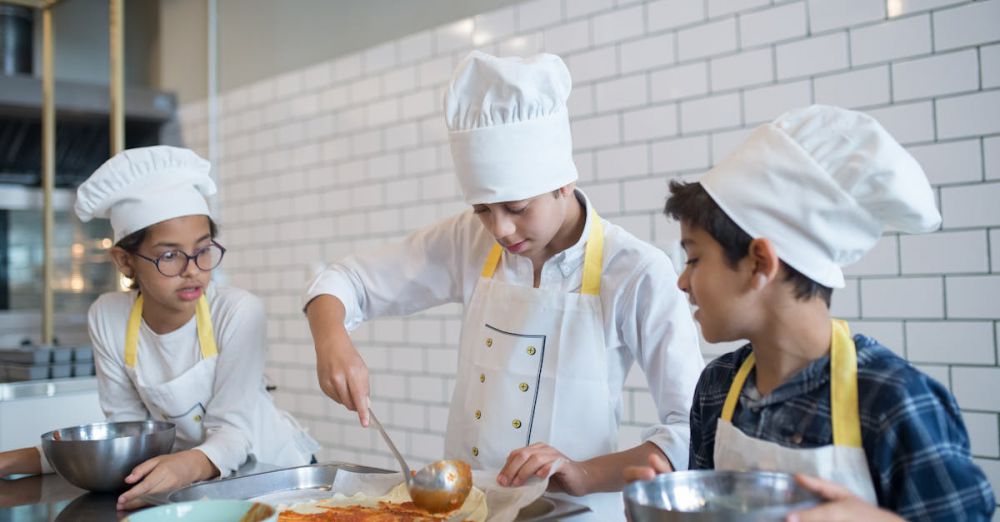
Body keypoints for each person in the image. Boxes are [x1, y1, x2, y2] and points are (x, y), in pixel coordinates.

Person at [303, 51, 704, 519]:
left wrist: (584, 472)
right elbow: (344, 281)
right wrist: (331, 339)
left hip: (572, 513)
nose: (501, 231)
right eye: (483, 210)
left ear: (563, 181)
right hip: (464, 509)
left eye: (516, 208)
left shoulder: (636, 271)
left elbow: (692, 429)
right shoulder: (468, 241)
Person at [624, 105, 996, 520]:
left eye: (693, 259)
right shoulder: (717, 389)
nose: (681, 281)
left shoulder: (893, 400)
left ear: (760, 262)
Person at [0, 146, 319, 510]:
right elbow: (128, 435)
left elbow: (236, 430)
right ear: (124, 261)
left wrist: (188, 464)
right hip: (195, 486)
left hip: (272, 476)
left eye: (203, 250)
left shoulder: (237, 311)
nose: (192, 269)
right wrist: (31, 459)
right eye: (169, 255)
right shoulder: (107, 316)